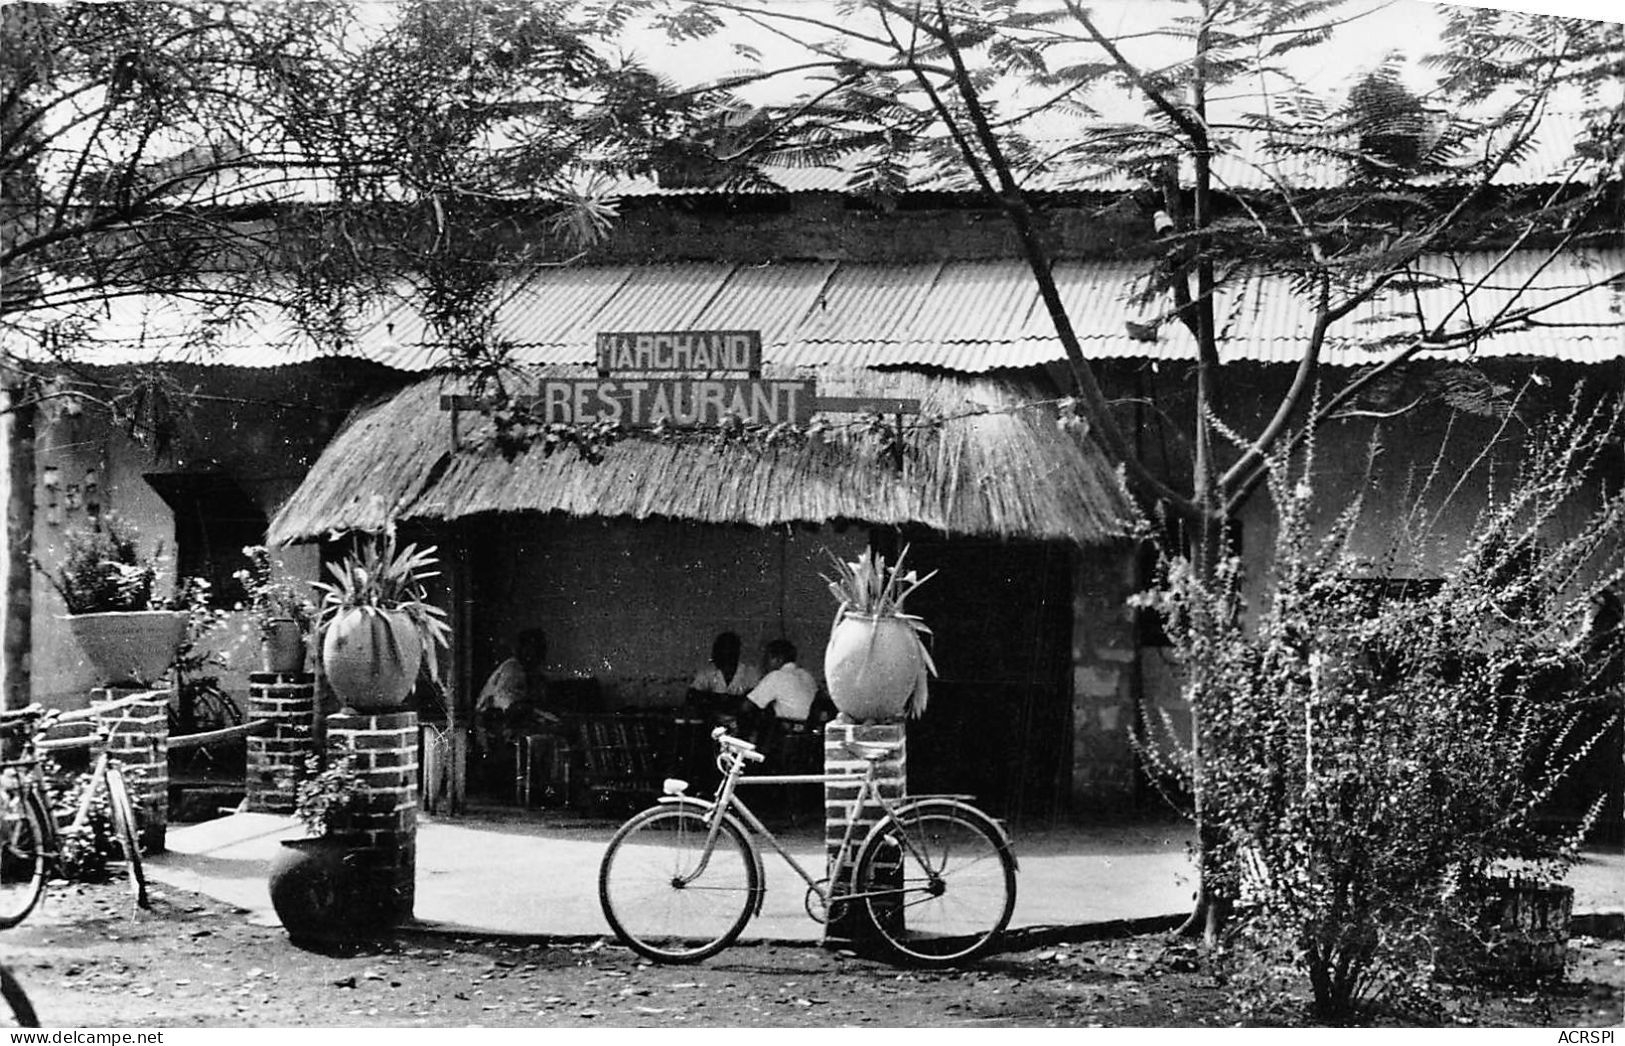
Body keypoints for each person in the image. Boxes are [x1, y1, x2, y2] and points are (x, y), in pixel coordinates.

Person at [474, 629, 561, 799]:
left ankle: (546, 787)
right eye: (531, 648)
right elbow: (509, 706)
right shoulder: (513, 669)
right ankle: (540, 789)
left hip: (509, 721)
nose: (536, 653)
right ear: (523, 649)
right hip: (493, 724)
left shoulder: (531, 672)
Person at [744, 639, 818, 725]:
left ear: (778, 660)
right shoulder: (807, 675)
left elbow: (747, 706)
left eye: (767, 658)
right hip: (807, 730)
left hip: (786, 732)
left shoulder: (777, 676)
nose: (764, 663)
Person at [687, 631, 761, 710]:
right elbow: (692, 697)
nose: (725, 655)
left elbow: (755, 700)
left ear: (737, 653)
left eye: (729, 651)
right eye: (720, 651)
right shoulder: (706, 672)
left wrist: (715, 699)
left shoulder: (750, 673)